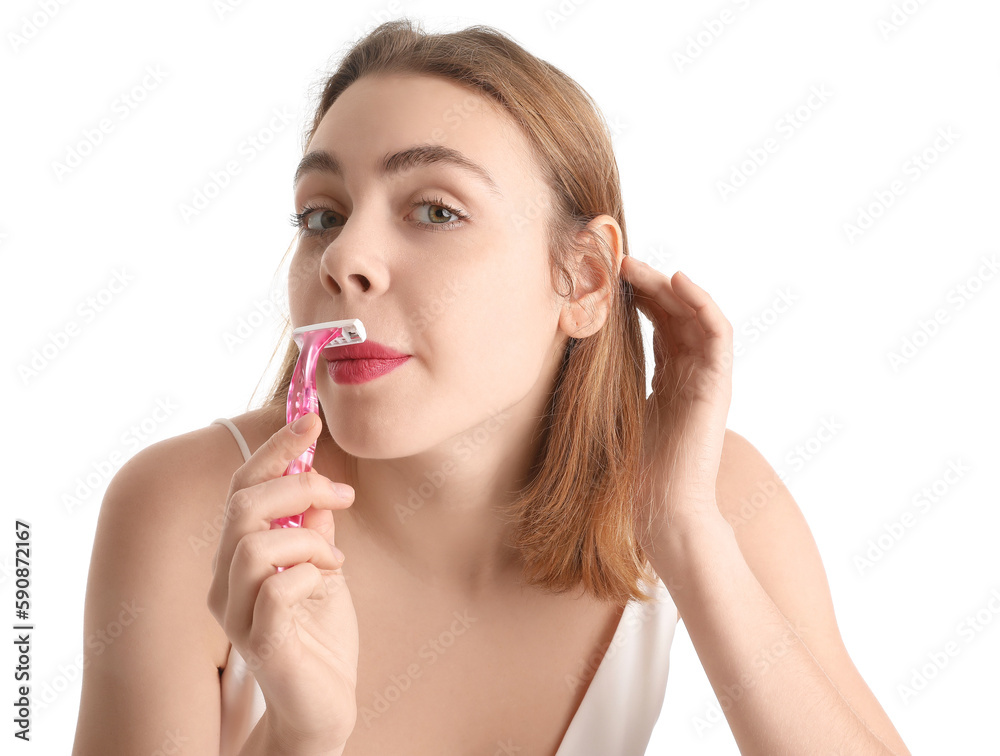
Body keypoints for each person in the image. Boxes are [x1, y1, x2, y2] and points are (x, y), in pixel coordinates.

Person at [72, 18, 911, 756]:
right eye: (322, 214)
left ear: (582, 279)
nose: (342, 259)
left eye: (435, 210)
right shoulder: (182, 509)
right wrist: (295, 739)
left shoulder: (710, 493)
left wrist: (687, 534)